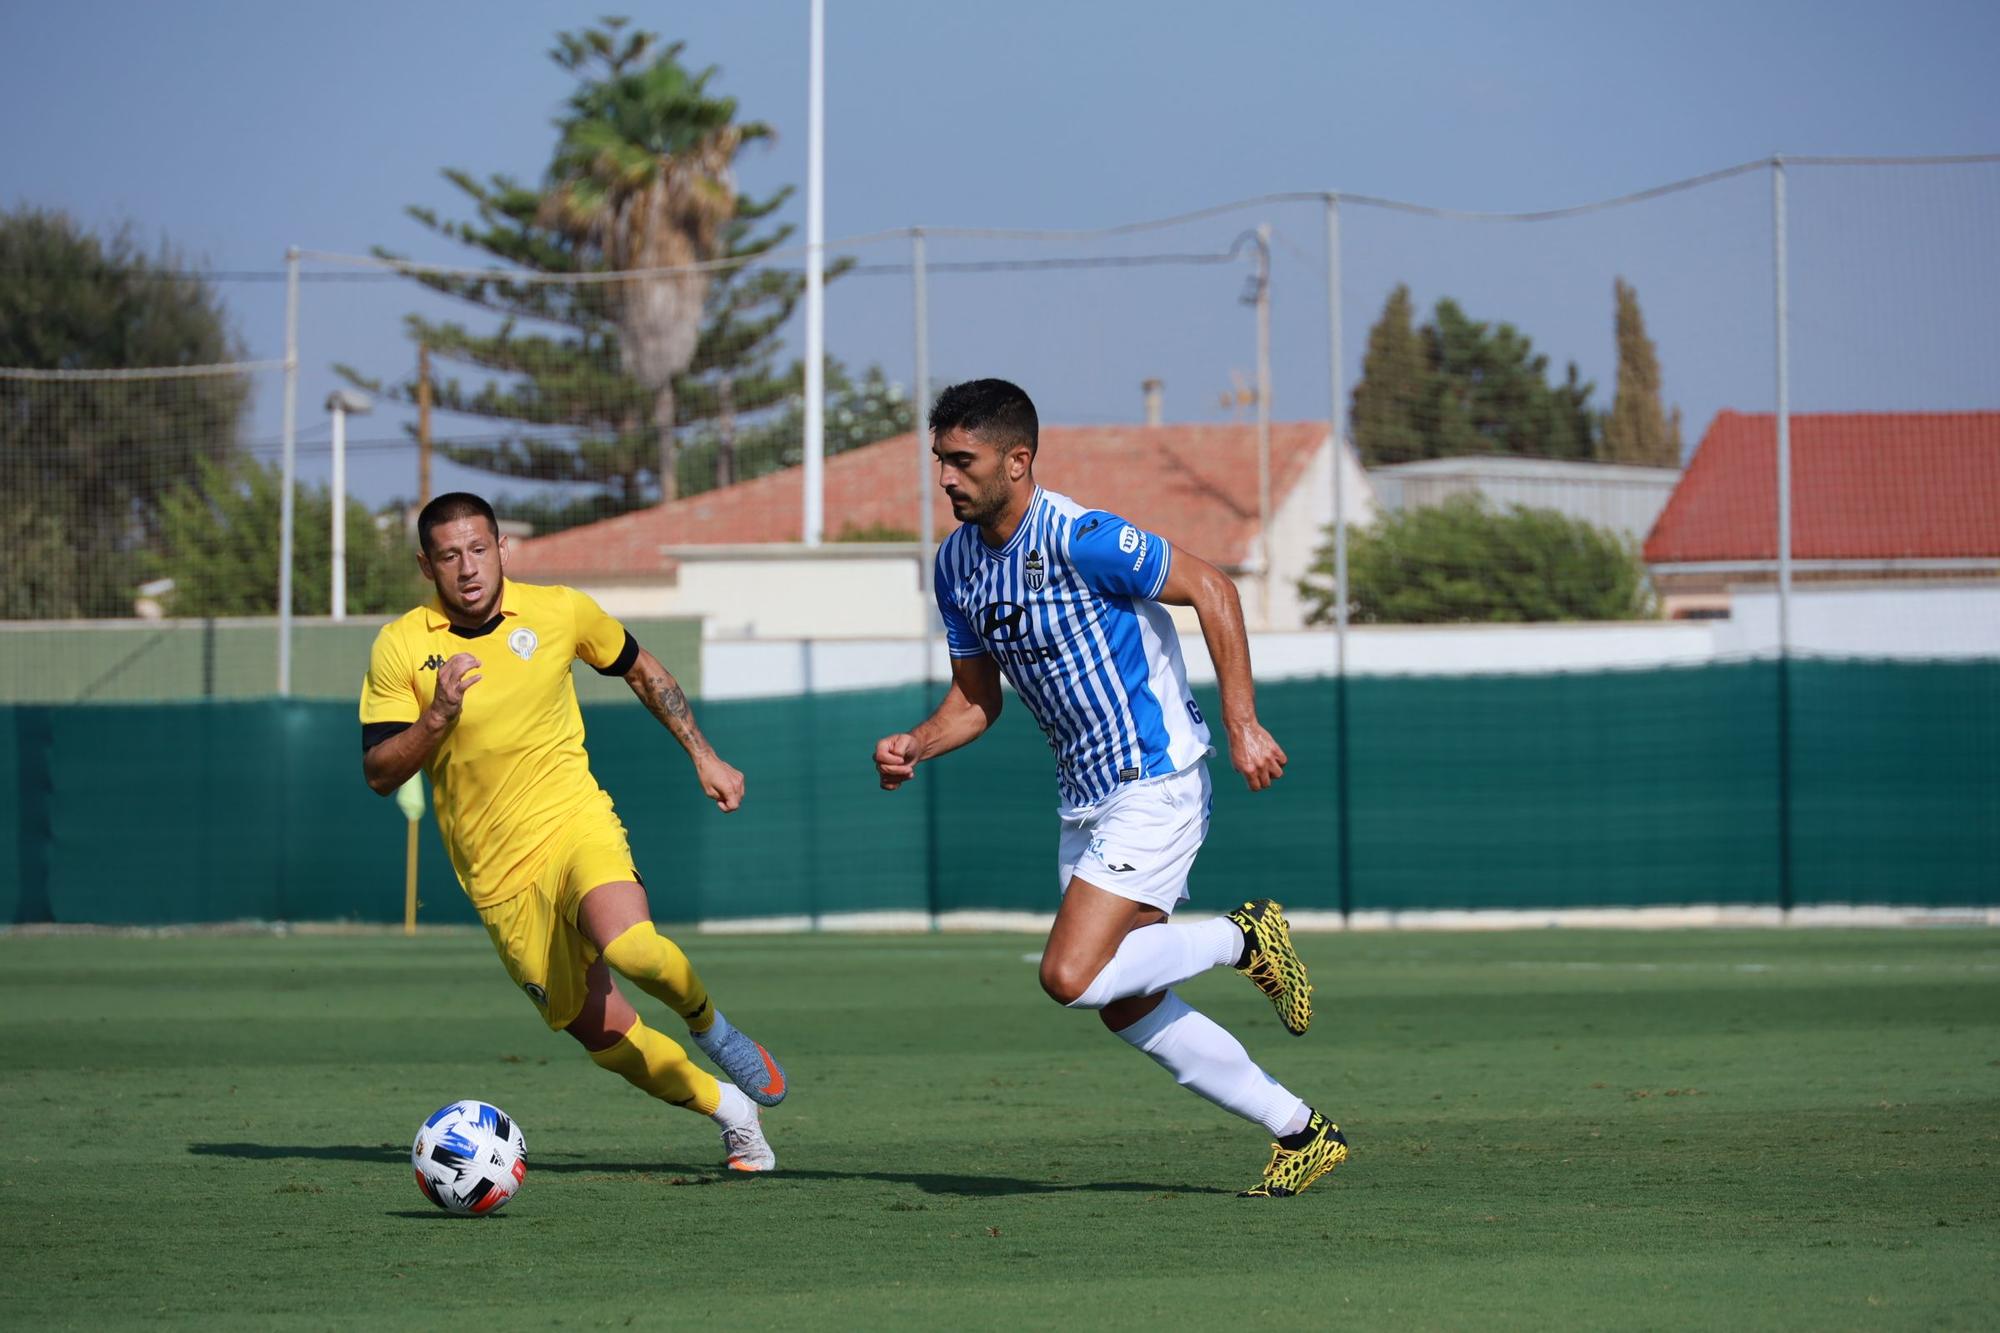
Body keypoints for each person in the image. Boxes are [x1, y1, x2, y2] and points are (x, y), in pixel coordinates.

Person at [873, 379, 1346, 1198]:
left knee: (1070, 976)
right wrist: (918, 741)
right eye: (940, 461)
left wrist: (1242, 723)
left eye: (963, 460)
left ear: (1018, 461)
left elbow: (1214, 588)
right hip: (1084, 800)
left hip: (1154, 781)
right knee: (1124, 1000)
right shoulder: (955, 567)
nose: (946, 477)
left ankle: (1242, 938)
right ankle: (1301, 1129)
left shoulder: (1081, 536)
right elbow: (977, 700)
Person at [360, 492, 785, 1172]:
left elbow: (643, 669)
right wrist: (436, 717)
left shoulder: (560, 610)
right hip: (496, 877)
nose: (467, 567)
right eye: (448, 555)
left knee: (636, 948)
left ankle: (712, 1026)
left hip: (572, 822)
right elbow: (379, 771)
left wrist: (702, 752)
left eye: (478, 548)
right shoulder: (403, 645)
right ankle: (734, 1112)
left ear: (502, 547)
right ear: (426, 564)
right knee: (606, 1036)